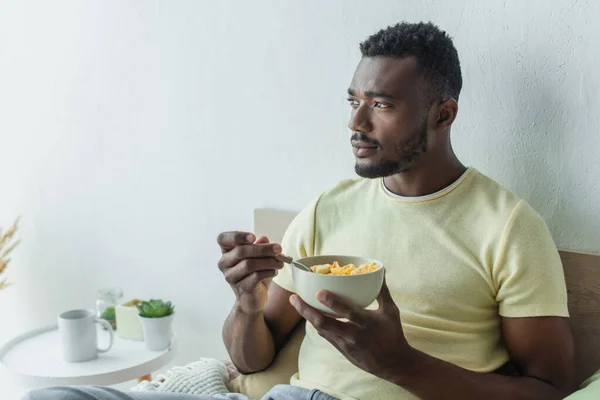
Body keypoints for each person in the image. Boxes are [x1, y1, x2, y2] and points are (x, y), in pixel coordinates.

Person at [25, 21, 574, 400]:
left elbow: (548, 390)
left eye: (380, 105)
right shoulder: (328, 208)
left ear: (443, 113)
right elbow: (250, 361)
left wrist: (399, 363)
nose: (357, 123)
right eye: (353, 101)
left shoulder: (507, 227)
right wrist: (246, 302)